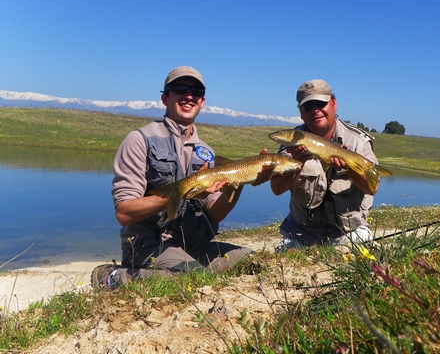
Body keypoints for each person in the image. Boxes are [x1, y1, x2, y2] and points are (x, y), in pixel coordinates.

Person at [92, 66, 262, 290]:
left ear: (202, 102)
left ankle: (186, 267)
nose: (189, 95)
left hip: (194, 245)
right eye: (180, 89)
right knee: (191, 280)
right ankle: (109, 276)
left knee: (254, 263)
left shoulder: (206, 152)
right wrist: (184, 192)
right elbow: (124, 212)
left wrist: (240, 180)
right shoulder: (140, 140)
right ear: (165, 98)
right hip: (151, 244)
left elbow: (216, 211)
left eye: (197, 91)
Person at [270, 79, 381, 250]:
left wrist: (350, 170)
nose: (315, 110)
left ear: (334, 104)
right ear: (301, 112)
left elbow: (371, 188)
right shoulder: (292, 141)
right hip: (302, 233)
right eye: (308, 107)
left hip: (349, 231)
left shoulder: (358, 141)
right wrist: (297, 164)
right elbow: (276, 189)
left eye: (321, 103)